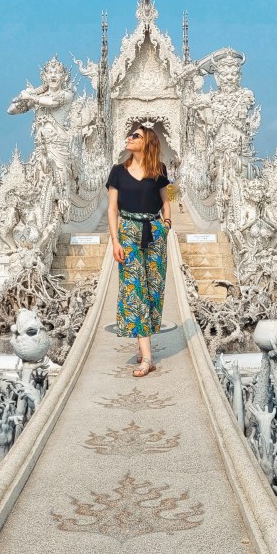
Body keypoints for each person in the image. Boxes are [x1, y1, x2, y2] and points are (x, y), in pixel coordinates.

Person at [106, 125, 171, 377]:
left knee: (153, 290)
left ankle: (143, 345)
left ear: (147, 143)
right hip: (129, 232)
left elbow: (166, 202)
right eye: (130, 134)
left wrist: (165, 226)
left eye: (136, 136)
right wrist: (115, 240)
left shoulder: (159, 170)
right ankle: (148, 358)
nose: (130, 138)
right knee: (135, 290)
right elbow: (112, 209)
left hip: (154, 232)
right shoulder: (118, 172)